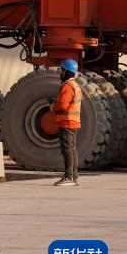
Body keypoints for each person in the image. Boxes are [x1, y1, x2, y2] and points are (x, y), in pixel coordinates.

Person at [51, 59, 82, 187]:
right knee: (72, 150)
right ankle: (73, 176)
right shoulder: (75, 85)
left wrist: (53, 107)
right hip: (73, 122)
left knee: (67, 150)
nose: (59, 72)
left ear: (66, 71)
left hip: (66, 122)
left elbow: (62, 105)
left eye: (60, 69)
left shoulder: (67, 86)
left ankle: (68, 177)